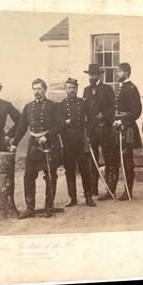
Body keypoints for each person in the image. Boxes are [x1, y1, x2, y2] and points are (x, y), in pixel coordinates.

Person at [10, 78, 62, 218]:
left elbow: (60, 125)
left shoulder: (53, 106)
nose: (37, 92)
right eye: (34, 89)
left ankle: (49, 206)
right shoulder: (28, 107)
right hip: (33, 144)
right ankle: (30, 208)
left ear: (45, 90)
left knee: (50, 176)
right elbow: (21, 127)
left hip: (49, 144)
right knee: (28, 175)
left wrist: (48, 136)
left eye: (39, 89)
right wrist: (15, 144)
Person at [58, 78, 95, 207]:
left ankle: (88, 197)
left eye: (73, 87)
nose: (71, 90)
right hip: (67, 142)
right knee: (69, 170)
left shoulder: (83, 103)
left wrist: (89, 136)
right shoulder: (61, 105)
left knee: (85, 170)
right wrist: (65, 123)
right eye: (69, 87)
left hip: (80, 140)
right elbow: (59, 124)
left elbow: (91, 121)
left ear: (77, 88)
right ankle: (72, 197)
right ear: (65, 89)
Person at [82, 64, 116, 201]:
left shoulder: (107, 89)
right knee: (92, 158)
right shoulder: (86, 90)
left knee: (108, 158)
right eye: (90, 75)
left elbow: (113, 107)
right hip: (91, 130)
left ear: (99, 75)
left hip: (105, 129)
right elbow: (84, 108)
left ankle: (109, 189)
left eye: (94, 75)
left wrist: (103, 115)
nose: (91, 77)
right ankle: (92, 188)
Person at [110, 63, 142, 200]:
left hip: (126, 129)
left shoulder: (132, 88)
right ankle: (111, 190)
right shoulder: (121, 88)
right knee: (114, 160)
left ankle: (128, 191)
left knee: (127, 161)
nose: (117, 74)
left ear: (126, 73)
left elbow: (136, 111)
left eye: (119, 72)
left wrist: (122, 121)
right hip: (116, 128)